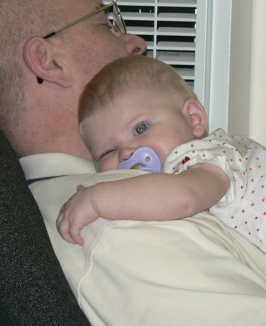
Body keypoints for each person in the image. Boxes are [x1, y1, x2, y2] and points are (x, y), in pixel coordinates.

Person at [0, 0, 266, 326]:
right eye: (107, 24)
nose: (136, 42)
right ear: (49, 61)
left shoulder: (84, 201)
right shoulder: (119, 220)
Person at [56, 55, 266, 253]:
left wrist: (98, 199)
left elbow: (184, 196)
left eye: (141, 128)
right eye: (108, 151)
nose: (126, 153)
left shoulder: (207, 157)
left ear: (193, 119)